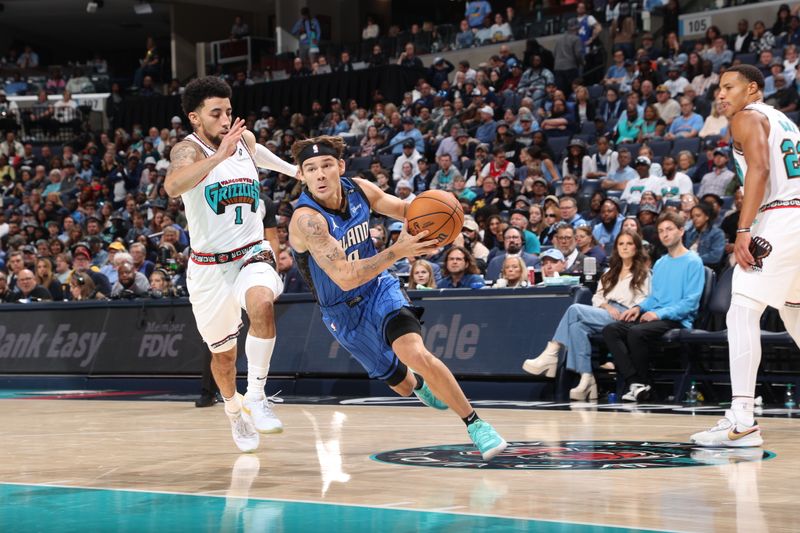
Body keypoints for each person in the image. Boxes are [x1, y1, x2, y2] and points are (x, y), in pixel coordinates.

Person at [287, 135, 507, 460]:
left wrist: (442, 225)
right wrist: (398, 250)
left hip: (379, 289)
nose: (320, 174)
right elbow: (345, 276)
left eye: (326, 165)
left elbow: (407, 210)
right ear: (301, 175)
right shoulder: (308, 221)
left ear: (341, 167)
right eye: (311, 168)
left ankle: (476, 425)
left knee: (415, 352)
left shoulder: (359, 189)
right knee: (402, 384)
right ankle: (419, 385)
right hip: (342, 312)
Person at [165, 77, 299, 453]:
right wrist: (218, 156)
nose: (227, 119)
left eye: (228, 110)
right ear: (195, 118)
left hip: (250, 252)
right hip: (208, 268)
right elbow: (173, 186)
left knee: (262, 302)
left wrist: (294, 171)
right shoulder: (186, 151)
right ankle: (234, 410)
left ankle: (256, 396)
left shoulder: (244, 140)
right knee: (223, 359)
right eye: (216, 113)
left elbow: (260, 155)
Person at [691, 65, 800, 447]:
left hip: (782, 218)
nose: (721, 95)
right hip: (796, 217)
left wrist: (743, 229)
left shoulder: (746, 117)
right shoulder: (783, 120)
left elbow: (760, 167)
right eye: (718, 89)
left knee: (741, 308)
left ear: (752, 89)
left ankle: (741, 420)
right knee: (794, 312)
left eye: (729, 87)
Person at [522, 230, 651, 399]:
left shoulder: (644, 273)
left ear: (636, 248)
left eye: (629, 244)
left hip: (625, 315)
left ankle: (552, 352)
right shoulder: (609, 272)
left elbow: (645, 299)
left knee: (574, 310)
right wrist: (606, 306)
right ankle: (586, 378)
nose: (624, 247)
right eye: (621, 244)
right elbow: (597, 297)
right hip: (606, 311)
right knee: (577, 327)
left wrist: (629, 309)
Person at [602, 211, 705, 402]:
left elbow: (690, 303)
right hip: (656, 316)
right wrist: (639, 308)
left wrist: (658, 314)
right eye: (661, 231)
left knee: (636, 332)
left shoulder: (693, 261)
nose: (665, 234)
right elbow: (654, 297)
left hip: (678, 320)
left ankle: (644, 382)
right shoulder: (660, 263)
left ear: (681, 231)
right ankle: (637, 383)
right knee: (611, 329)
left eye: (669, 229)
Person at [684, 203, 725, 268]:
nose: (694, 219)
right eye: (693, 217)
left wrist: (693, 260)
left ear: (707, 216)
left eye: (698, 216)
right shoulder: (690, 233)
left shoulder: (717, 233)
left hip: (705, 268)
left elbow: (715, 257)